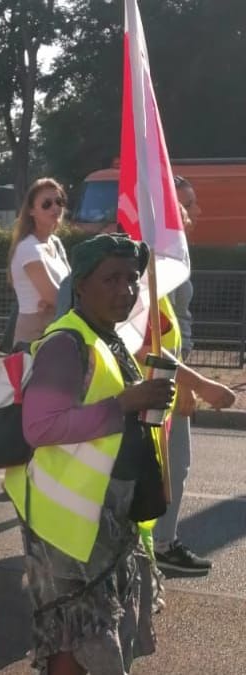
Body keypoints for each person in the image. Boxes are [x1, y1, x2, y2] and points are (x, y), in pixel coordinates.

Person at [11, 234, 175, 675]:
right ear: (81, 285)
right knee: (75, 636)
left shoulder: (110, 339)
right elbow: (40, 427)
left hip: (104, 519)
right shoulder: (67, 343)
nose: (126, 289)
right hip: (67, 525)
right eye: (112, 279)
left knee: (91, 634)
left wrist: (151, 400)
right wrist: (124, 403)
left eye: (132, 279)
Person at [151, 177, 235, 573]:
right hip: (162, 377)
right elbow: (149, 336)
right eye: (186, 205)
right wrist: (193, 383)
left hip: (172, 372)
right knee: (171, 466)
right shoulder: (158, 261)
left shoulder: (174, 257)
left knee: (170, 466)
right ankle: (160, 545)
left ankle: (155, 544)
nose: (193, 212)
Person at [8, 178, 71, 347]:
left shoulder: (56, 243)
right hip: (34, 334)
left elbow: (69, 288)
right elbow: (54, 297)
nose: (55, 208)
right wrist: (59, 301)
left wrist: (60, 301)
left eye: (59, 201)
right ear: (31, 211)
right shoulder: (29, 247)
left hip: (56, 327)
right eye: (46, 204)